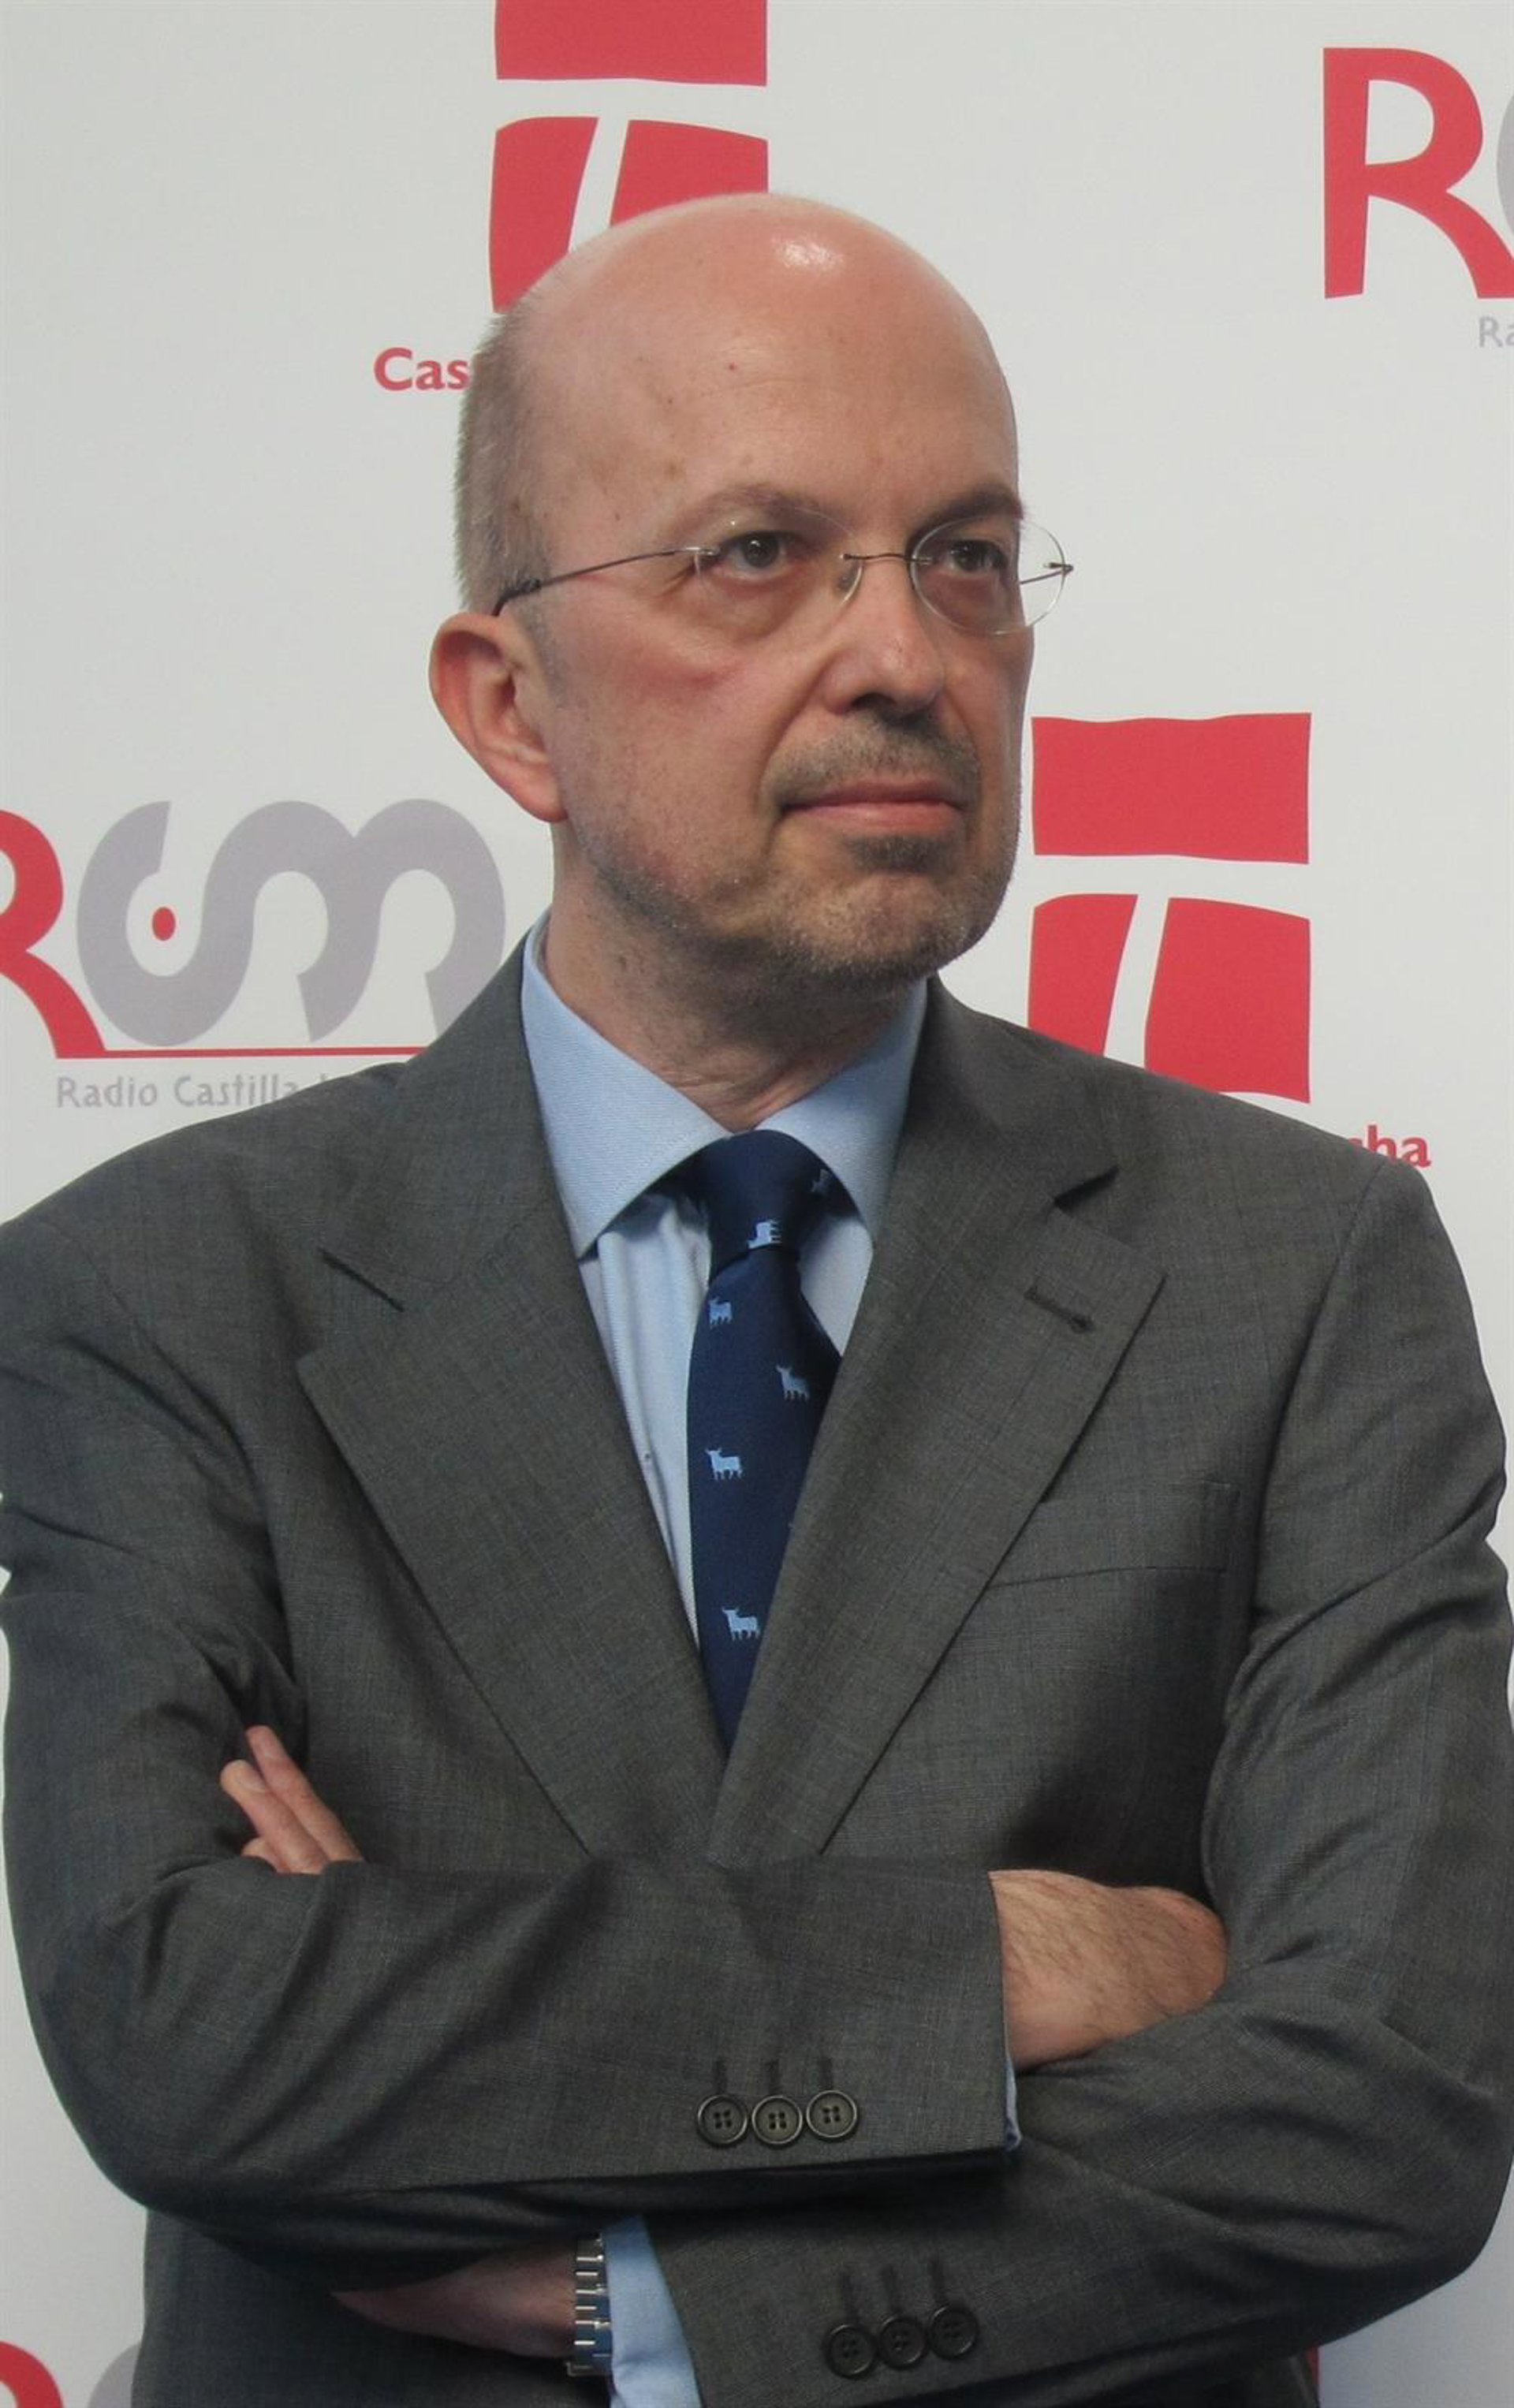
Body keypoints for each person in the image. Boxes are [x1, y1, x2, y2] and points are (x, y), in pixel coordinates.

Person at [2, 196, 1511, 2408]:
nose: (904, 651)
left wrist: (646, 2297)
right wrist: (990, 1961)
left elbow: (1385, 2109)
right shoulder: (152, 1294)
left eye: (966, 556)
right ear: (510, 705)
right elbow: (190, 2034)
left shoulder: (1298, 1275)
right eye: (757, 555)